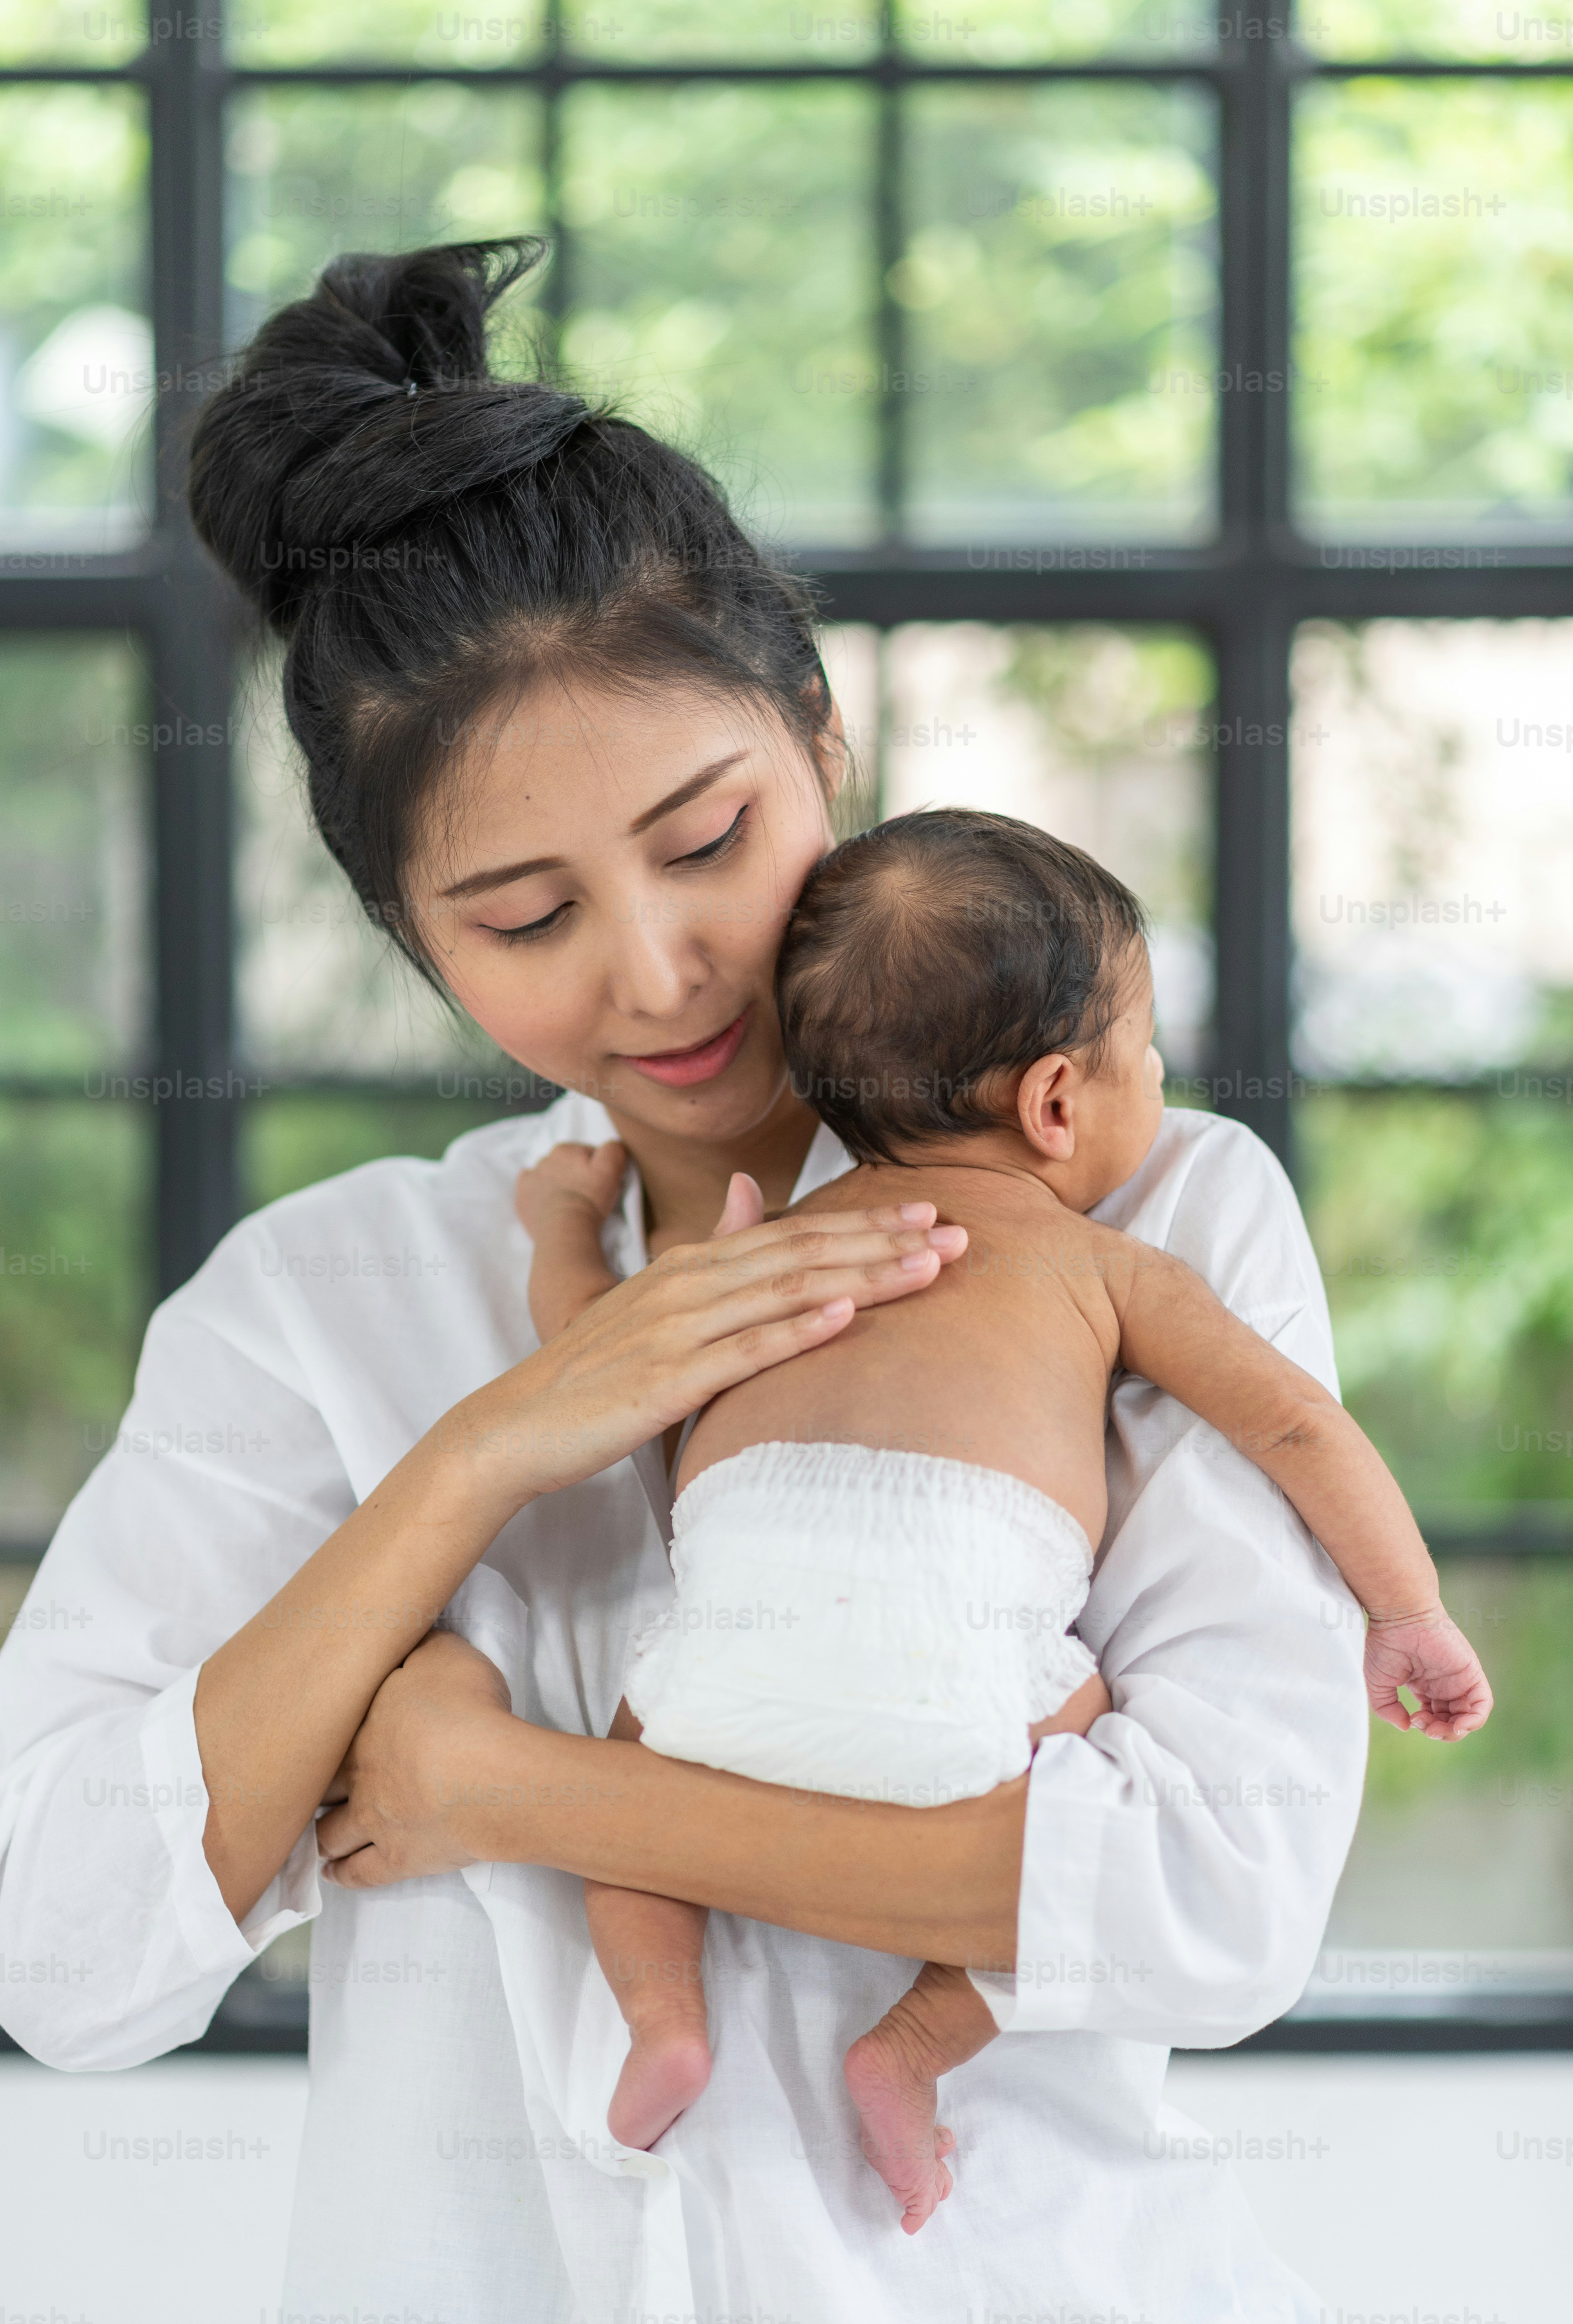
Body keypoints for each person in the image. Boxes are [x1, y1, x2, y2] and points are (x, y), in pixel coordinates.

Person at [0, 240, 1371, 2323]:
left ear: (821, 733)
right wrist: (472, 1464)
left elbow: (1220, 1901)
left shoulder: (1143, 1210)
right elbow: (63, 1955)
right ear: (415, 937)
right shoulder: (321, 1311)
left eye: (708, 836)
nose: (659, 971)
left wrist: (502, 1786)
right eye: (527, 912)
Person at [516, 808, 1491, 2231]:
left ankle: (664, 2018)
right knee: (1093, 1788)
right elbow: (1294, 1425)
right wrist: (1409, 1611)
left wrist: (562, 1237)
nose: (1158, 1078)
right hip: (961, 1672)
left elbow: (590, 1377)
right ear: (1054, 1105)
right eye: (1143, 1053)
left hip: (714, 1669)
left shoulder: (765, 1258)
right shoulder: (1103, 1266)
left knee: (625, 1786)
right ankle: (914, 2044)